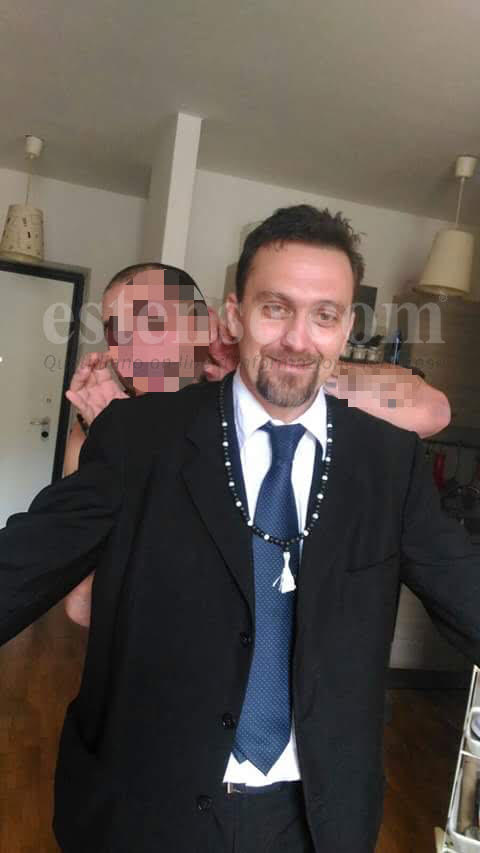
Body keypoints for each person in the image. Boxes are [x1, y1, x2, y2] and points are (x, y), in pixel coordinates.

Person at [0, 204, 475, 853]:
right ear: (235, 315)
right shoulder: (139, 435)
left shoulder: (386, 463)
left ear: (345, 328)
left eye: (324, 315)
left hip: (315, 821)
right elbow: (24, 567)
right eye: (275, 308)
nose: (297, 338)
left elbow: (466, 590)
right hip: (149, 810)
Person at [63, 261, 451, 628]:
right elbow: (83, 608)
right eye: (120, 332)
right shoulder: (98, 428)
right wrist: (118, 450)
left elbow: (431, 411)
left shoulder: (261, 401)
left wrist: (290, 373)